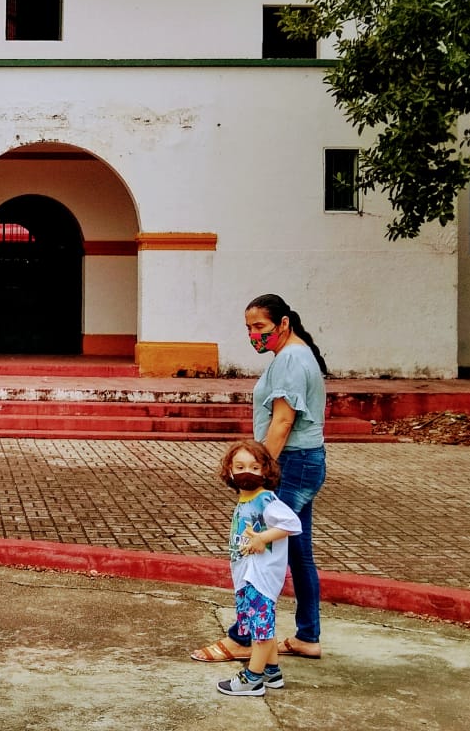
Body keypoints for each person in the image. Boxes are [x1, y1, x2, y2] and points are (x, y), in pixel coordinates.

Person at [190, 292, 328, 663]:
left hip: (292, 463)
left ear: (284, 323)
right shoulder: (294, 356)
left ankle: (242, 637)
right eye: (249, 327)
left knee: (258, 551)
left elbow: (283, 421)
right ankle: (307, 636)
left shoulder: (291, 359)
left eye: (260, 326)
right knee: (297, 553)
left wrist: (261, 470)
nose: (253, 334)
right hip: (304, 461)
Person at [213, 439, 302, 696]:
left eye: (254, 467)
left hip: (260, 577)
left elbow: (292, 523)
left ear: (265, 470)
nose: (246, 472)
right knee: (259, 626)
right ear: (229, 470)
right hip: (247, 575)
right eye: (239, 466)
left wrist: (263, 537)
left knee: (261, 632)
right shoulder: (246, 499)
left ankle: (252, 679)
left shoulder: (266, 500)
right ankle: (272, 671)